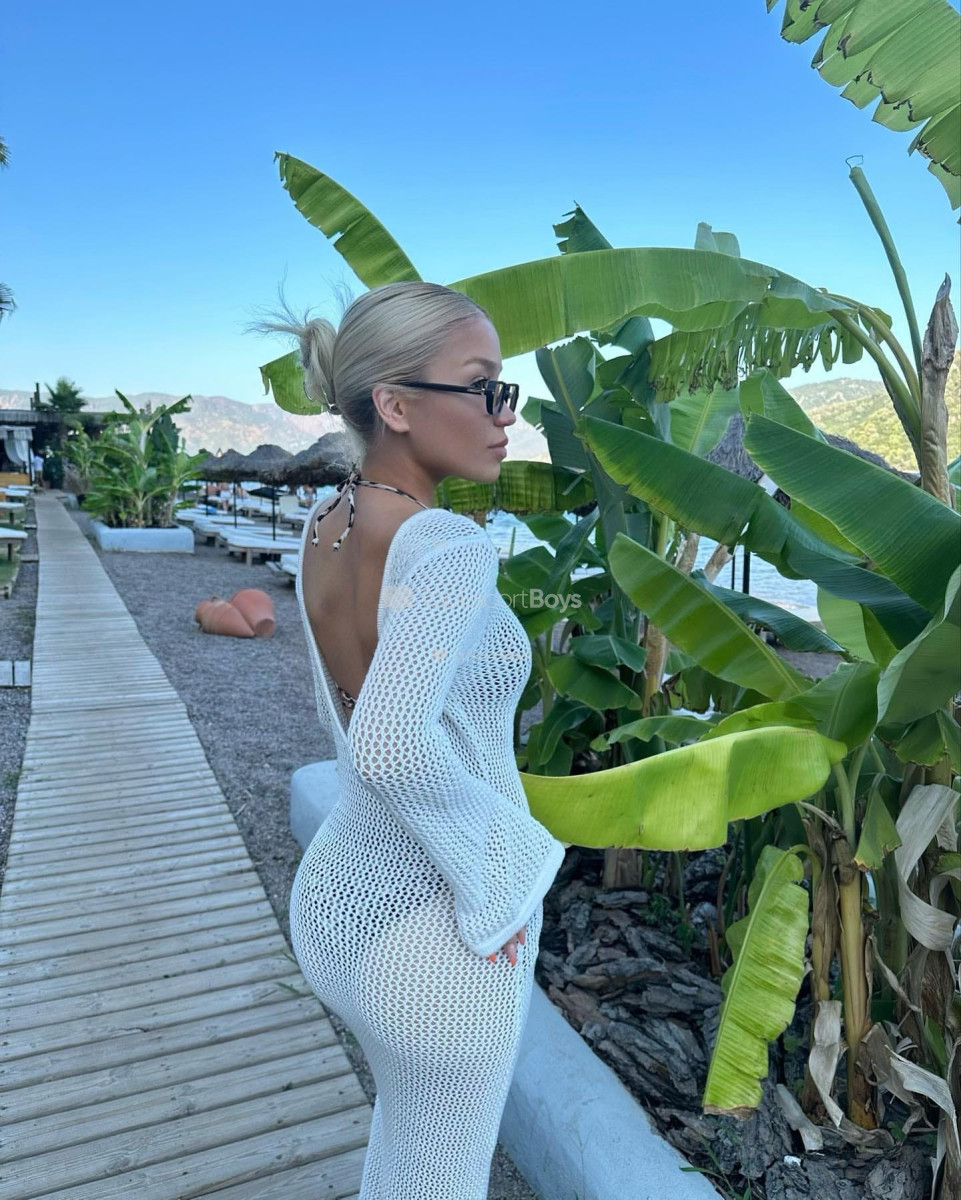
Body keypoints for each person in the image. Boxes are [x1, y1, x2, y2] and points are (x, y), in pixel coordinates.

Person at [268, 281, 565, 1198]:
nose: (504, 415)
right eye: (482, 387)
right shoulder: (444, 546)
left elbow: (359, 717)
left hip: (345, 901)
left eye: (503, 389)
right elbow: (390, 746)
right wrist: (502, 878)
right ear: (394, 405)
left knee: (401, 1155)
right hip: (441, 926)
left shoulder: (325, 524)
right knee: (442, 1177)